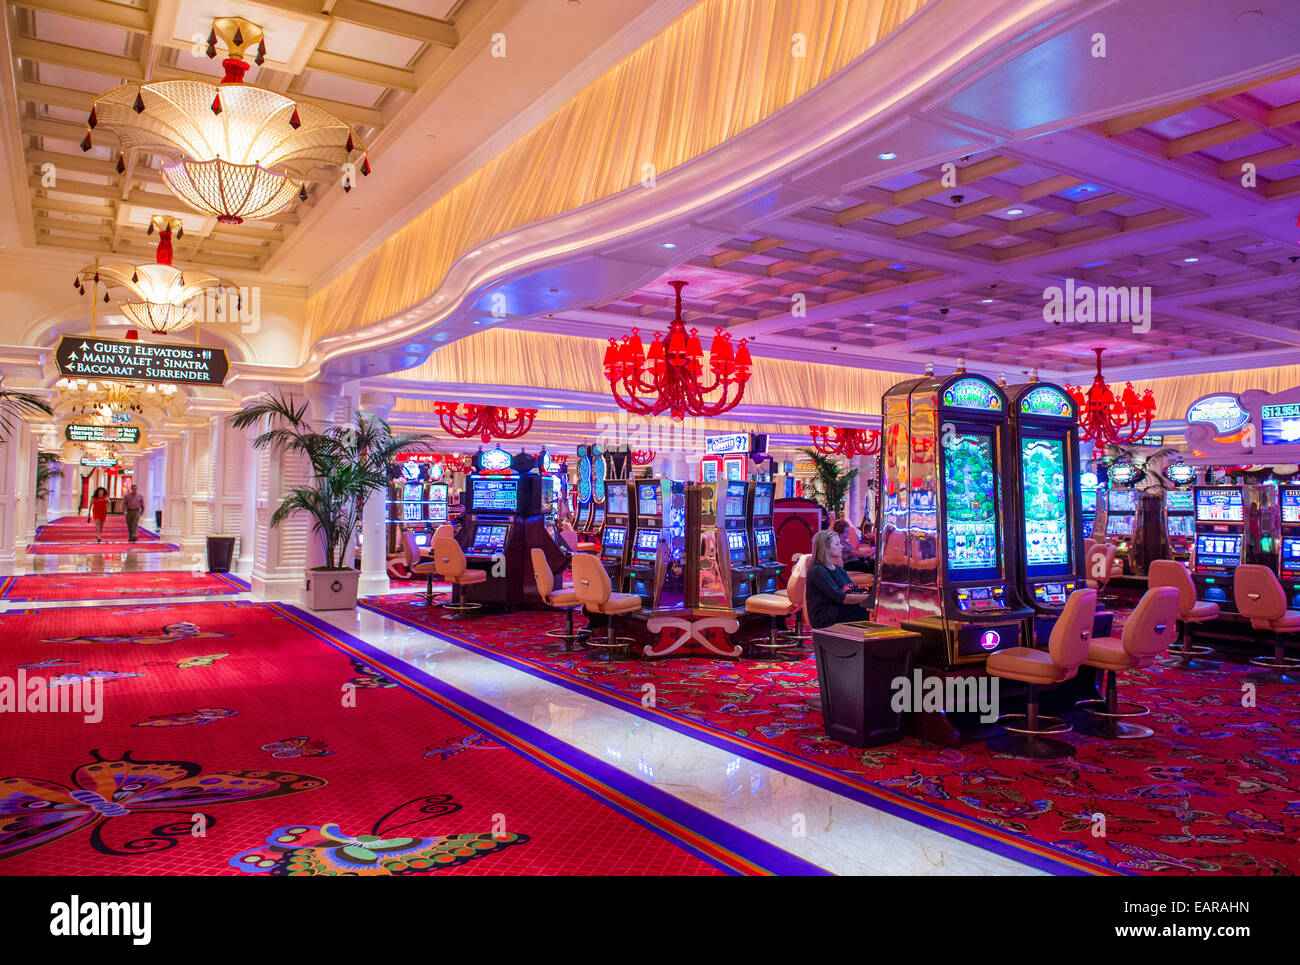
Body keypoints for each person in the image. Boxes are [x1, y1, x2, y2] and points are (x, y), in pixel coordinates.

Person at [805, 529, 871, 628]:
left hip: (839, 610)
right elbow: (840, 597)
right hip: (825, 617)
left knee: (869, 610)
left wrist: (867, 596)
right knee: (864, 611)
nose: (842, 546)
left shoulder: (839, 569)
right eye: (837, 544)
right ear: (825, 548)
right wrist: (870, 599)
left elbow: (853, 589)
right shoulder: (817, 570)